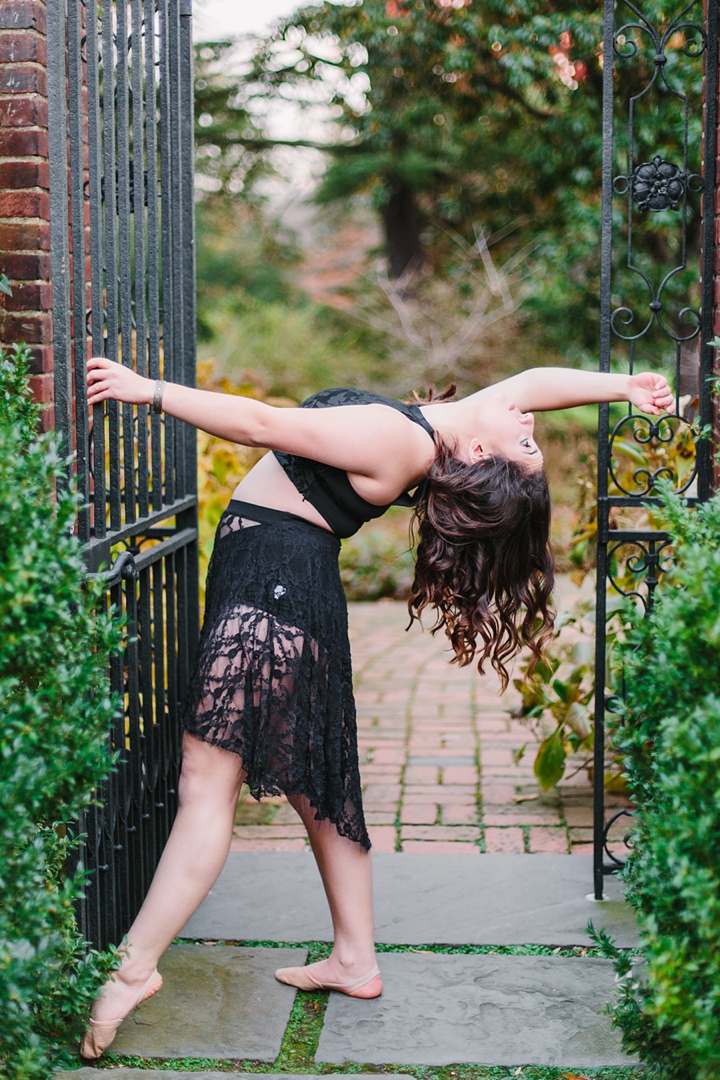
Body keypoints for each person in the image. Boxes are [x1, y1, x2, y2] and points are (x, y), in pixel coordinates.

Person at [80, 358, 673, 1057]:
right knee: (317, 786)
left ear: (481, 455)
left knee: (206, 785)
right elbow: (532, 384)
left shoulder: (399, 441)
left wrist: (149, 391)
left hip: (272, 595)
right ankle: (355, 960)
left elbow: (262, 423)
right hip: (289, 589)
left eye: (527, 440)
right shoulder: (444, 432)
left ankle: (133, 968)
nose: (526, 419)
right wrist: (623, 388)